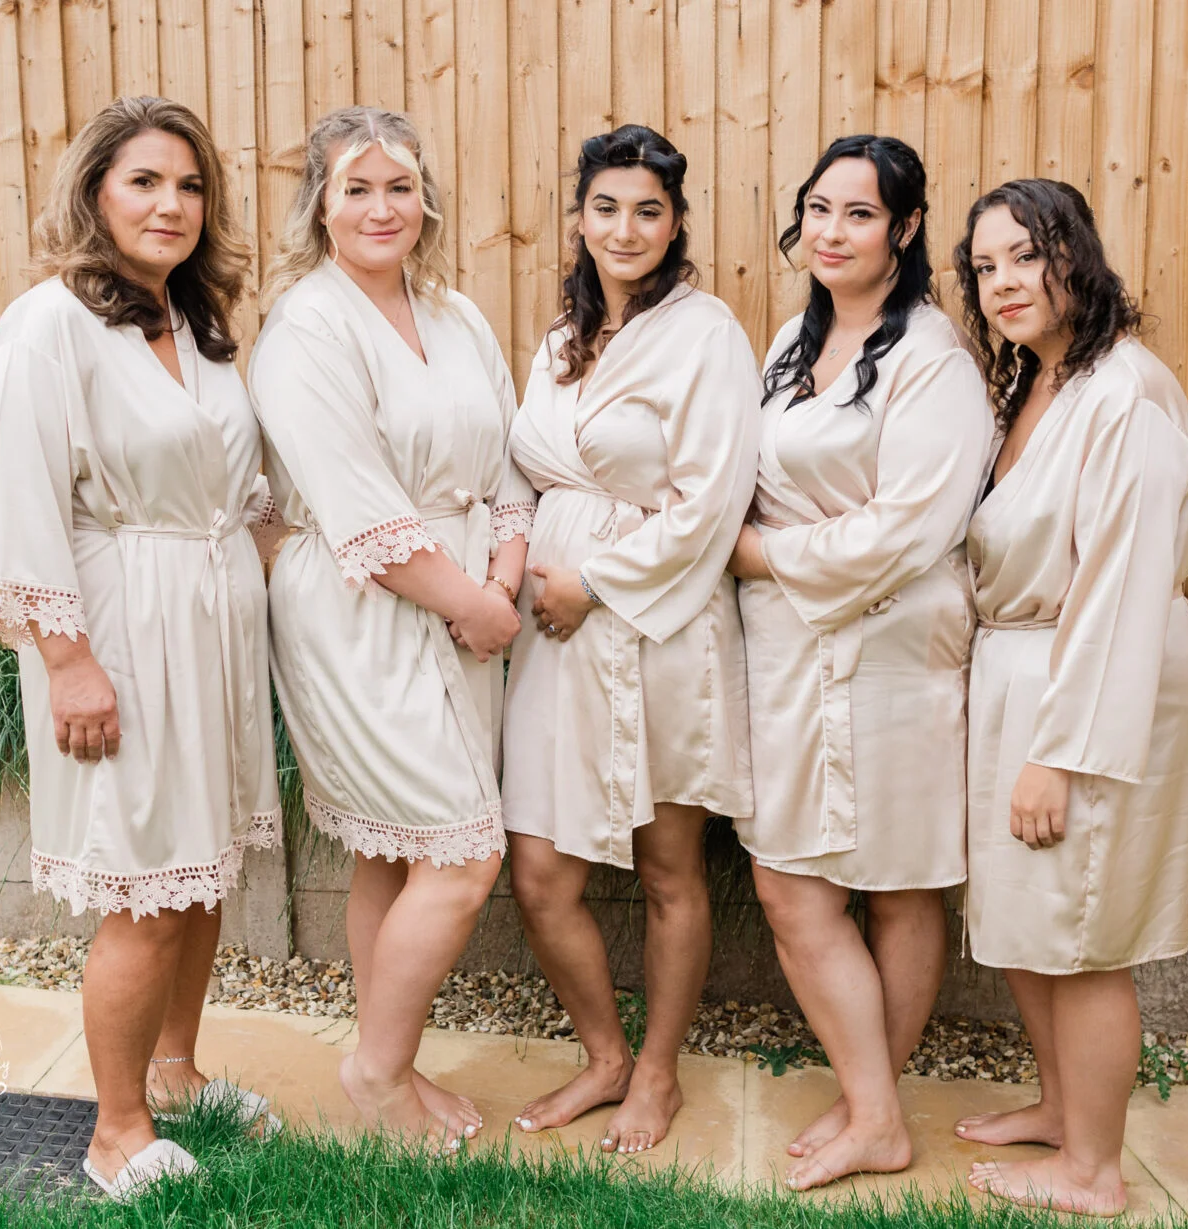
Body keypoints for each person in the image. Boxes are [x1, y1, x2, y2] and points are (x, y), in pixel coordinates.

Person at [0, 96, 282, 1198]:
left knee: (199, 867)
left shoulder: (196, 322)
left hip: (211, 626)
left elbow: (239, 486)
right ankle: (117, 1130)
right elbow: (24, 501)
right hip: (118, 628)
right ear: (95, 190)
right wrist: (69, 661)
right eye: (144, 180)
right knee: (144, 885)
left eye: (189, 185)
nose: (170, 204)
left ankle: (176, 1073)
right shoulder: (49, 324)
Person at [248, 106, 533, 1151]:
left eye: (400, 187)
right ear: (319, 205)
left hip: (468, 600)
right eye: (357, 188)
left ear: (426, 199)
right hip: (362, 609)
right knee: (460, 851)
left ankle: (393, 1060)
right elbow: (357, 506)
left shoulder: (455, 314)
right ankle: (374, 1076)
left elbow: (511, 463)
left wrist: (502, 572)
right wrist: (473, 602)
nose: (382, 208)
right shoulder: (305, 328)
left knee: (396, 846)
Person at [726, 134, 993, 1190]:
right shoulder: (791, 341)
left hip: (892, 647)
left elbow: (909, 527)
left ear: (907, 228)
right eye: (819, 209)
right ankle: (870, 1092)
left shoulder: (933, 358)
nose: (831, 232)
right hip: (793, 646)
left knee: (897, 878)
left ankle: (876, 1110)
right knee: (792, 880)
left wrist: (762, 553)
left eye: (860, 213)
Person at [500, 124, 760, 1156]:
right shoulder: (558, 342)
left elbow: (712, 501)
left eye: (649, 210)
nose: (625, 228)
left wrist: (596, 583)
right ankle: (603, 1053)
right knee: (539, 871)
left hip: (659, 623)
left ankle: (657, 1071)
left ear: (676, 223)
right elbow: (522, 472)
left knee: (668, 866)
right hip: (552, 635)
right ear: (579, 219)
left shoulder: (706, 335)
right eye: (606, 207)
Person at [953, 178, 1188, 1217]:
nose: (1005, 281)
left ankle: (1093, 1170)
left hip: (1093, 678)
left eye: (1027, 254)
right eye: (986, 266)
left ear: (1078, 256)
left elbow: (1120, 587)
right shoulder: (1037, 382)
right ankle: (1064, 1108)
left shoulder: (1125, 393)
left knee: (1085, 931)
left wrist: (1059, 752)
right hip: (1026, 670)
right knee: (1035, 918)